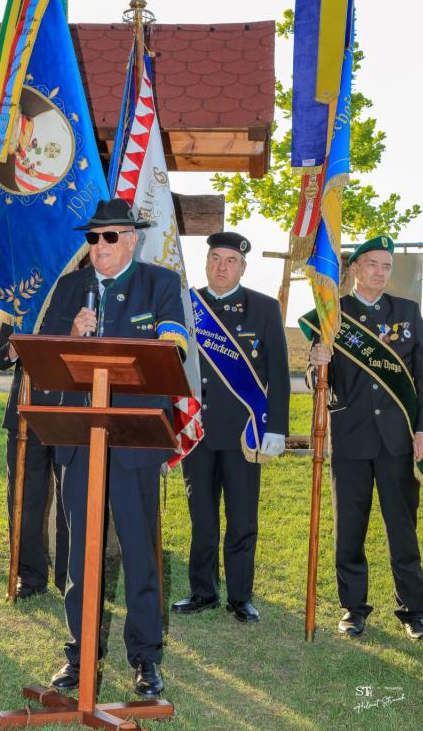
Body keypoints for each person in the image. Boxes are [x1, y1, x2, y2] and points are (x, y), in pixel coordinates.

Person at [38, 198, 188, 698]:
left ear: (132, 239)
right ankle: (78, 655)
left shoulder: (160, 285)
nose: (98, 246)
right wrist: (70, 335)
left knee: (140, 554)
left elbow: (174, 345)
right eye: (93, 237)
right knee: (80, 552)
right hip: (80, 439)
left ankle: (144, 658)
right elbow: (43, 357)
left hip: (134, 440)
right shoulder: (69, 289)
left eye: (109, 237)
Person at [307, 236, 423, 640]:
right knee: (350, 529)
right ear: (355, 268)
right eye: (372, 264)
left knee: (402, 528)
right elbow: (316, 381)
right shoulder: (332, 315)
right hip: (352, 438)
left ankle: (414, 609)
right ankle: (353, 608)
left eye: (386, 266)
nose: (380, 272)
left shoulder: (408, 312)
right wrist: (315, 362)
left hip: (398, 441)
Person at [172, 232, 290, 622]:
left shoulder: (264, 308)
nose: (221, 267)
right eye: (215, 259)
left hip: (244, 434)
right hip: (197, 432)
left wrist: (277, 427)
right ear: (206, 263)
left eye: (230, 261)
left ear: (243, 267)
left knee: (241, 519)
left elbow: (278, 375)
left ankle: (240, 596)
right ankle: (202, 591)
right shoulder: (187, 307)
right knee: (202, 518)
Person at [0, 323, 68, 598]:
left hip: (68, 411)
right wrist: (14, 348)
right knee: (24, 499)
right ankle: (31, 575)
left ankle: (69, 576)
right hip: (24, 413)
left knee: (71, 499)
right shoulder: (22, 301)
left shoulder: (76, 292)